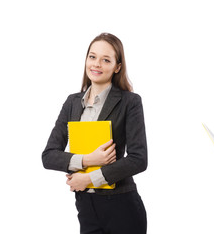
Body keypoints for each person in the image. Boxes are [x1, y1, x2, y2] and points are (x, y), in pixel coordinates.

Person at [42, 33, 147, 234]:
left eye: (105, 59)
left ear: (117, 66)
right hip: (85, 205)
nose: (96, 64)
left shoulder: (130, 102)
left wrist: (89, 179)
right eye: (92, 57)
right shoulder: (72, 102)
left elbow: (139, 159)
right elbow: (48, 156)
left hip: (122, 206)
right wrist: (87, 160)